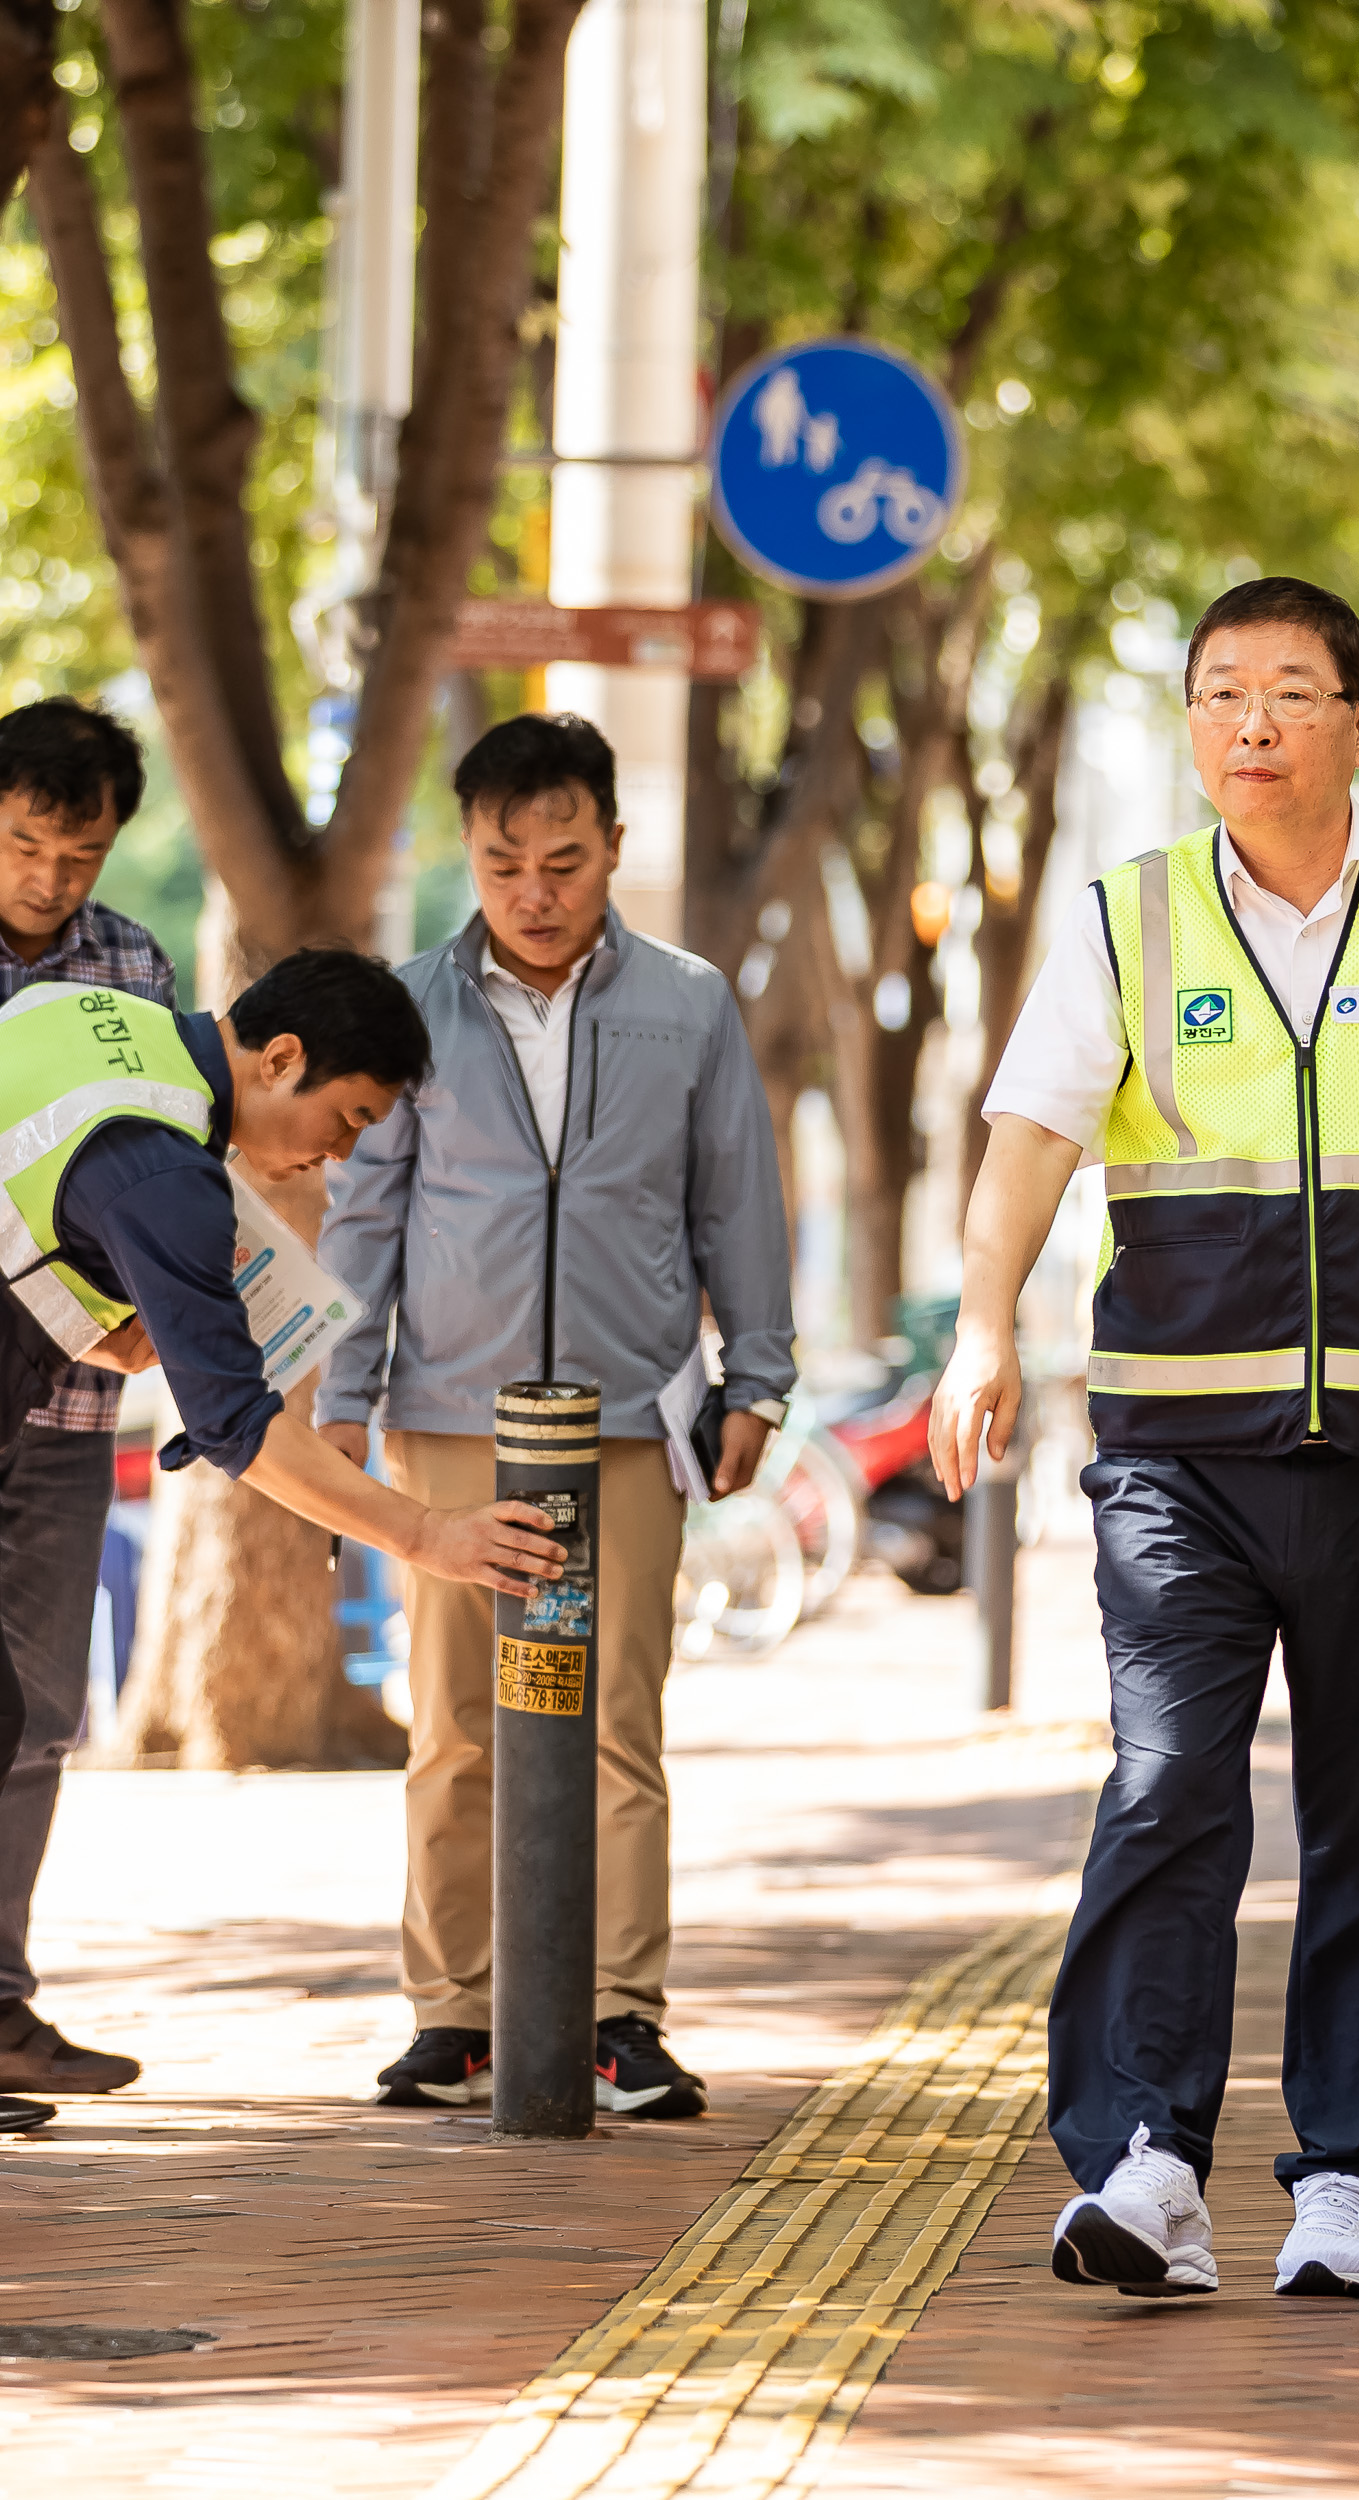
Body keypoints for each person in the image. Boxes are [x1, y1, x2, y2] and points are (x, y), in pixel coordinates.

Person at [930, 576, 1359, 2300]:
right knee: (1166, 1788)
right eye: (1221, 692)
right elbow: (1027, 1138)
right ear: (1190, 727)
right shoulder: (1126, 919)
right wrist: (977, 1328)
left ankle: (1343, 2180)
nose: (1251, 721)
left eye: (1290, 692)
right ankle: (1144, 2159)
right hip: (1178, 1450)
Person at [314, 713, 795, 2117]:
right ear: (466, 853)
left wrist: (754, 1376)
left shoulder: (689, 1004)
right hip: (451, 1415)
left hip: (627, 1416)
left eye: (564, 860)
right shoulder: (410, 1007)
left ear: (613, 851)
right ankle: (453, 2010)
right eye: (502, 861)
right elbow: (366, 1218)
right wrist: (345, 1399)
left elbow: (736, 1201)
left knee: (613, 1717)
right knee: (454, 1717)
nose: (533, 890)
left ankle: (616, 2012)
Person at [0, 948, 566, 2083]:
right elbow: (241, 1431)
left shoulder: (90, 1016)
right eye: (345, 1118)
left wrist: (89, 1313)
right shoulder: (166, 1172)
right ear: (281, 1057)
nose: (339, 1154)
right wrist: (429, 1536)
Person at [0, 696, 174, 2133]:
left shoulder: (131, 968)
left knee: (41, 1710)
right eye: (25, 846)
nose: (52, 881)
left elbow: (163, 1173)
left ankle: (1, 2007)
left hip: (68, 1402)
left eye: (81, 853)